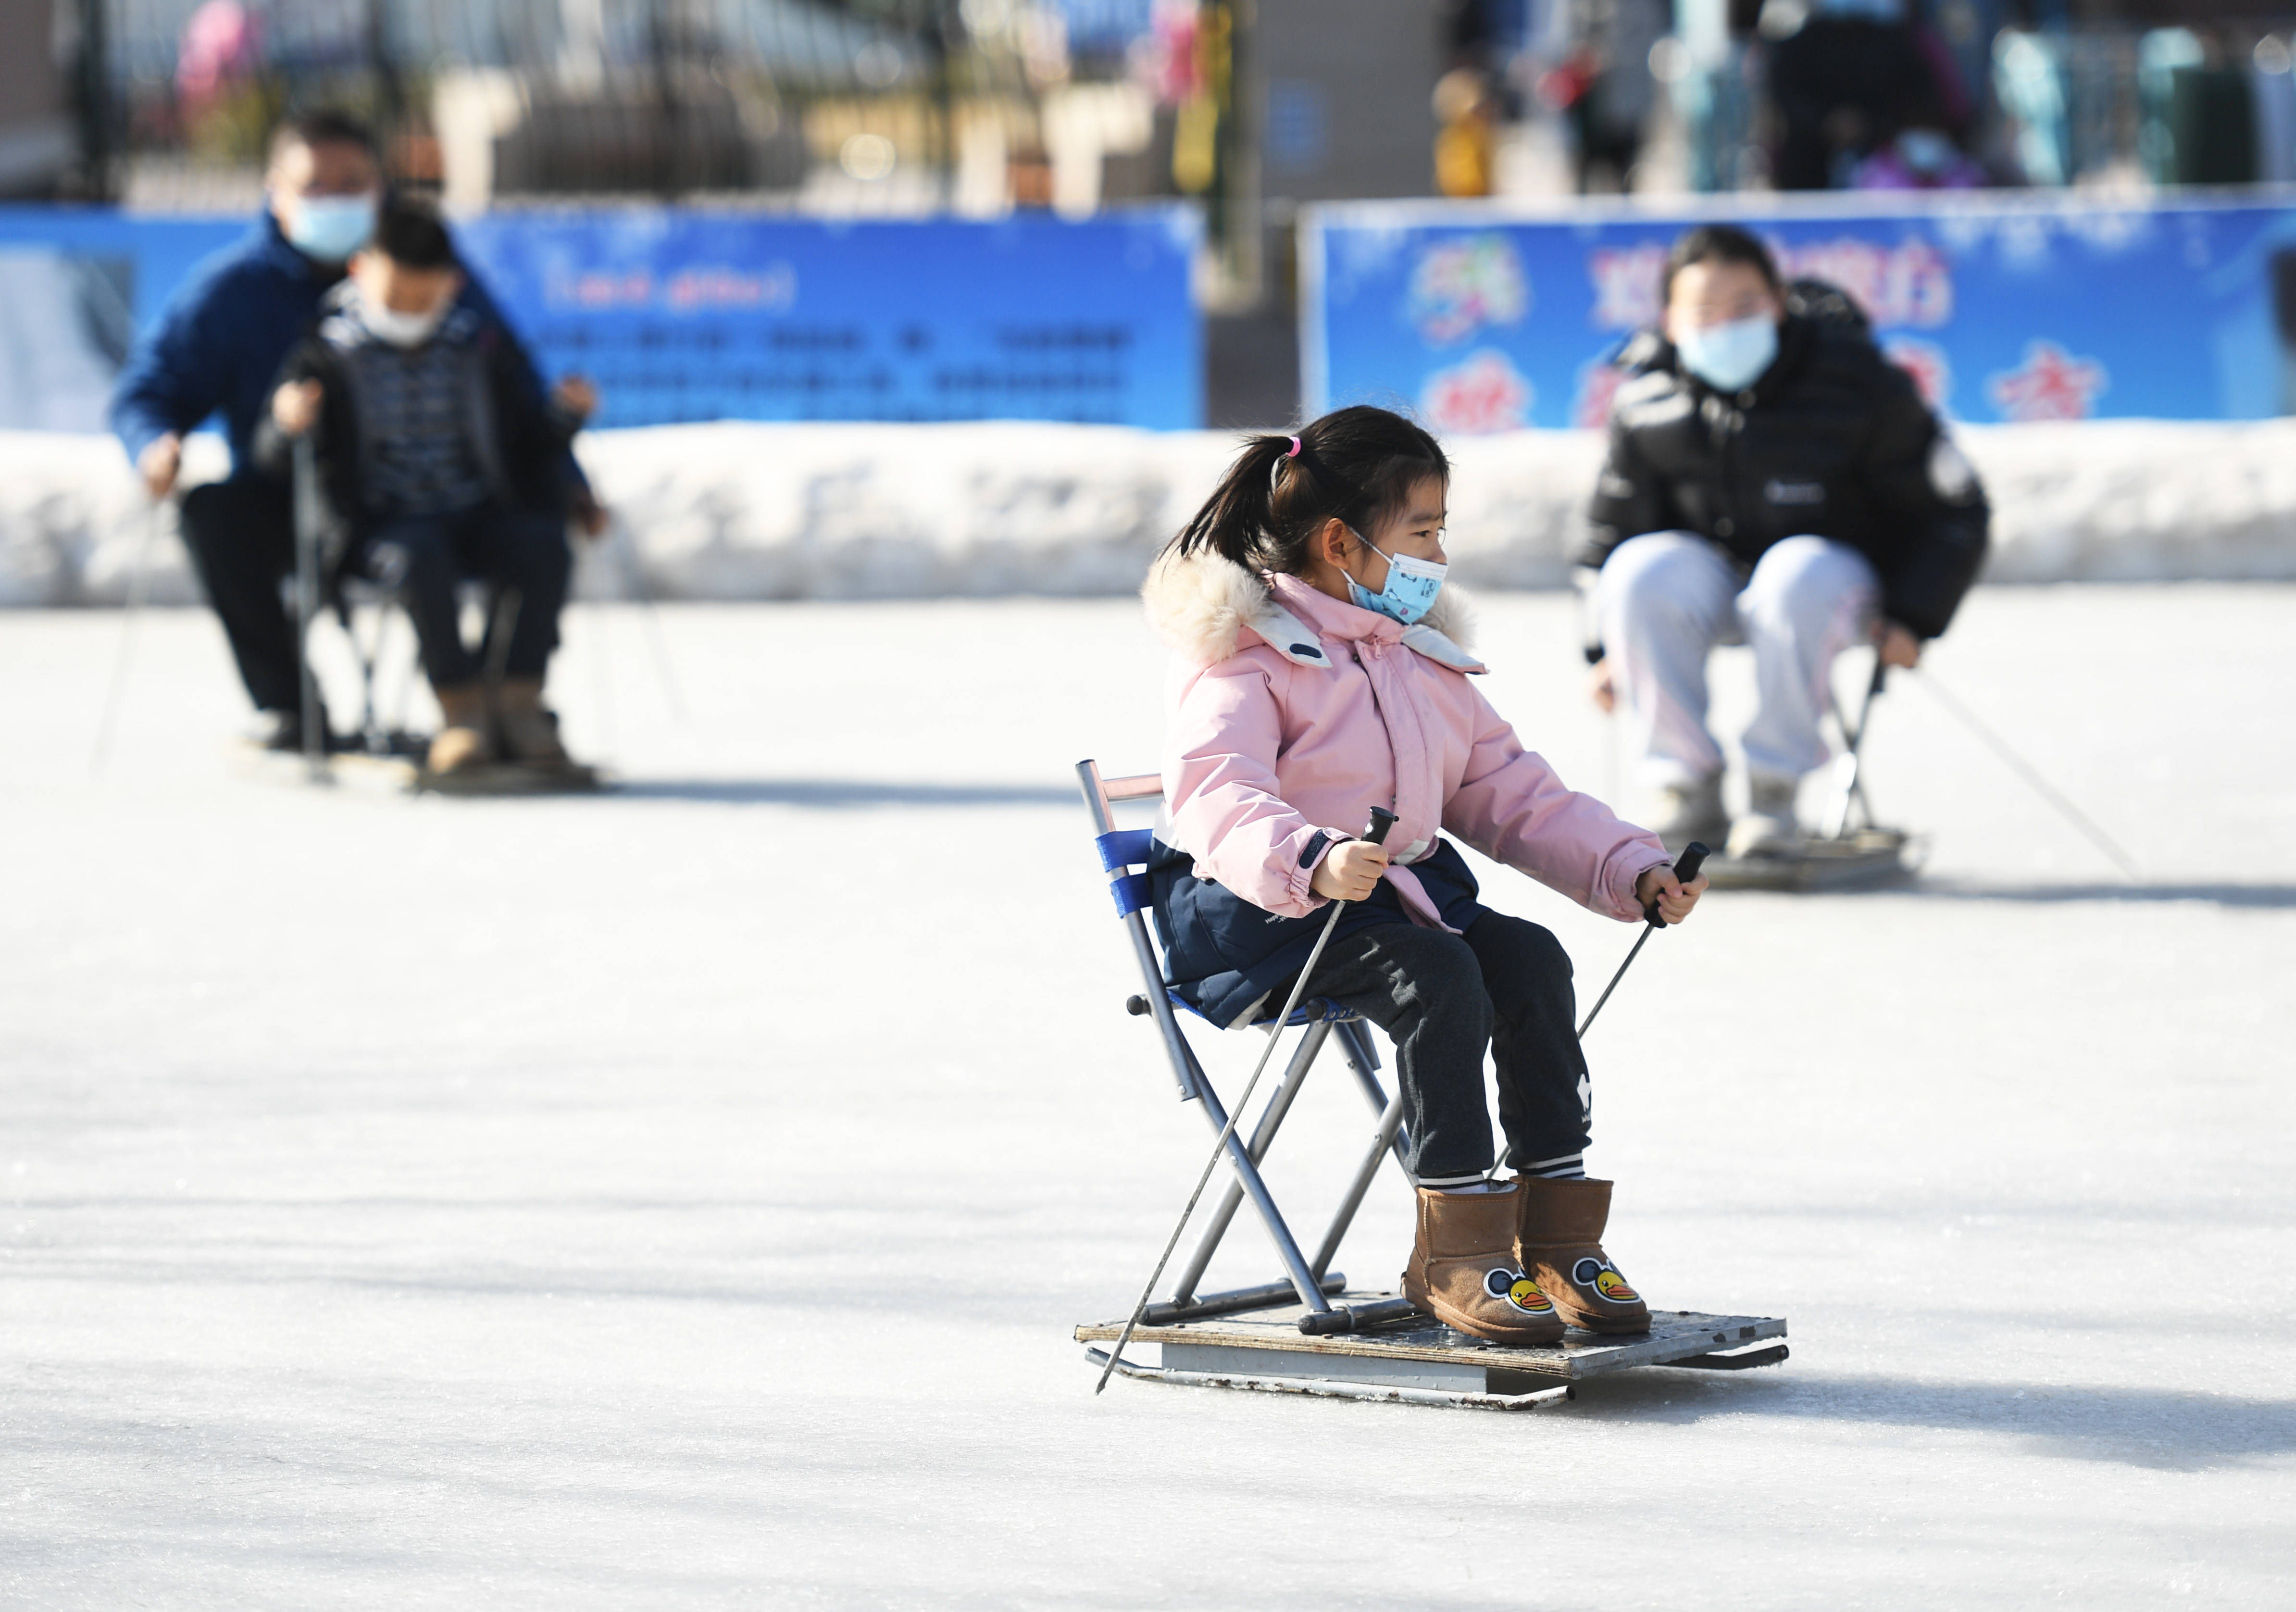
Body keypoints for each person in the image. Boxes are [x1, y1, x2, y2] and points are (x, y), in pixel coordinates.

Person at [1140, 405, 1706, 1345]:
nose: (1439, 555)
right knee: (1438, 978)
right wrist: (1309, 858)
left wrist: (1628, 864)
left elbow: (1509, 790)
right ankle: (1453, 1246)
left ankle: (1555, 1232)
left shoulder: (1418, 659)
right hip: (1264, 917)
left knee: (1528, 958)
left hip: (1398, 898)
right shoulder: (1246, 655)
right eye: (1423, 531)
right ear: (1340, 542)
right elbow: (1217, 794)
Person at [108, 109, 594, 750]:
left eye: (353, 182)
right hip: (301, 497)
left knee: (529, 536)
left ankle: (503, 704)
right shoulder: (230, 294)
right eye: (315, 185)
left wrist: (569, 478)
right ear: (274, 190)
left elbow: (517, 398)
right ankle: (289, 708)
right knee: (213, 514)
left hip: (435, 501)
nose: (335, 199)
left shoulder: (436, 276)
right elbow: (150, 390)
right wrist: (156, 444)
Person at [1580, 225, 1990, 856]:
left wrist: (1914, 613)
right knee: (1639, 569)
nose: (1725, 328)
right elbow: (1608, 538)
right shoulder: (1647, 400)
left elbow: (1953, 510)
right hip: (1713, 588)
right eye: (1703, 313)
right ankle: (1685, 785)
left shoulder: (1858, 382)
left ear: (1777, 301)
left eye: (1744, 308)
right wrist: (1603, 646)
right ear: (1670, 320)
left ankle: (1776, 786)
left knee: (1796, 572)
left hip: (1831, 591)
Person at [253, 199, 594, 778]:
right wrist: (288, 426)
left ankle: (517, 701)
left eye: (424, 298)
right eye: (396, 298)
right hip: (379, 529)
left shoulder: (480, 350)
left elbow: (525, 443)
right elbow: (274, 459)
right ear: (361, 271)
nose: (410, 311)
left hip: (474, 513)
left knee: (542, 546)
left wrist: (563, 418)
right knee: (419, 556)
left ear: (451, 286)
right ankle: (460, 710)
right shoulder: (324, 354)